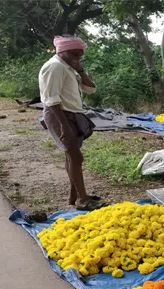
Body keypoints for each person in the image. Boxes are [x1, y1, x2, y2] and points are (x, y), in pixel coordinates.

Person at [39, 36, 102, 211]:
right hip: (59, 115)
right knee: (75, 156)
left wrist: (80, 69)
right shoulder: (54, 67)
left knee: (71, 155)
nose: (77, 58)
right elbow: (51, 100)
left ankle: (74, 195)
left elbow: (90, 89)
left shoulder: (69, 66)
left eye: (80, 55)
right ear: (62, 51)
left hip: (73, 114)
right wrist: (64, 126)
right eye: (74, 54)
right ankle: (82, 199)